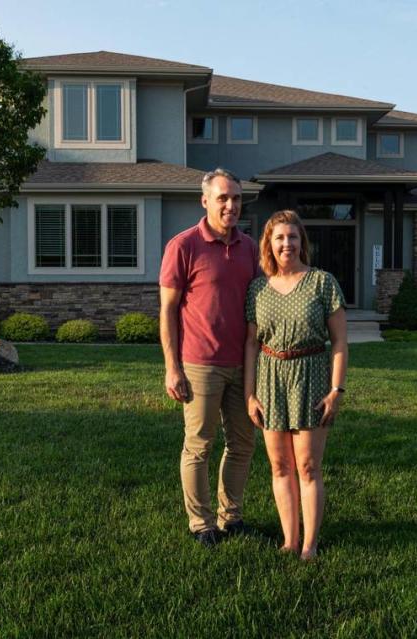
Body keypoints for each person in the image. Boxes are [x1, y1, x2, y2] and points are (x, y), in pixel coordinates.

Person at [159, 168, 260, 547]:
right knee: (199, 445)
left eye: (236, 198)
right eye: (223, 198)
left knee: (243, 444)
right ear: (205, 201)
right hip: (199, 363)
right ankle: (201, 523)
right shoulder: (183, 246)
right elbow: (167, 311)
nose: (231, 205)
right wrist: (172, 368)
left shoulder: (250, 248)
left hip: (244, 365)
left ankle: (230, 517)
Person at [244, 209, 348, 560]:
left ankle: (310, 544)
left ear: (302, 242)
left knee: (307, 465)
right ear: (268, 245)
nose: (286, 244)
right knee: (279, 466)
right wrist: (249, 393)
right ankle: (289, 539)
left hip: (312, 375)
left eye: (292, 237)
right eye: (279, 238)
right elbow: (250, 344)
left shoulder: (322, 282)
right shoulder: (258, 288)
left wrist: (336, 391)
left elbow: (340, 343)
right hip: (271, 376)